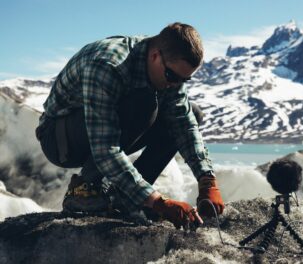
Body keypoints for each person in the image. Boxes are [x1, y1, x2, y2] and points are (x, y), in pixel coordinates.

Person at [35, 22, 225, 229]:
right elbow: (105, 149)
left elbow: (184, 125)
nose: (175, 85)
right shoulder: (108, 65)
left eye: (184, 80)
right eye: (172, 77)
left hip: (100, 133)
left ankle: (124, 198)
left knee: (193, 113)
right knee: (143, 104)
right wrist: (159, 202)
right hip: (61, 141)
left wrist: (207, 181)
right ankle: (85, 190)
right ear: (155, 56)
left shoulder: (167, 69)